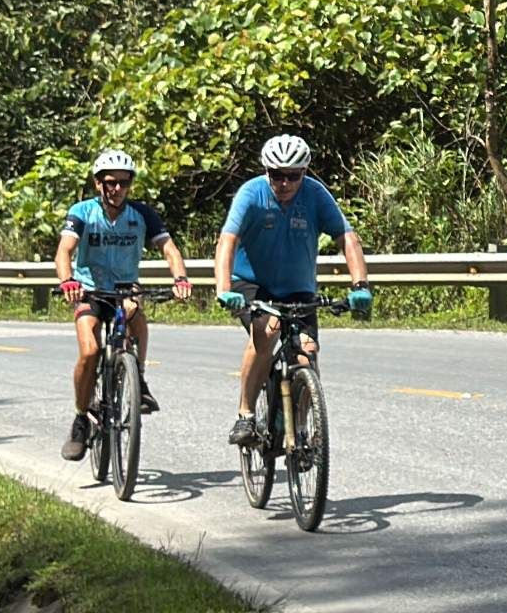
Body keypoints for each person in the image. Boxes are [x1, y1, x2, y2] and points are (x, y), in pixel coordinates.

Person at [215, 134, 372, 447]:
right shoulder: (252, 194)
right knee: (266, 329)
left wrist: (360, 286)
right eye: (277, 175)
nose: (284, 183)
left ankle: (297, 429)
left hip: (298, 288)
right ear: (267, 172)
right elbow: (227, 241)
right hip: (251, 282)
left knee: (307, 352)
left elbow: (347, 238)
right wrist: (224, 287)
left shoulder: (315, 195)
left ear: (304, 172)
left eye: (293, 176)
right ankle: (245, 414)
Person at [55, 149, 192, 461]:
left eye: (123, 183)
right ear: (98, 184)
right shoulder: (83, 212)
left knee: (135, 312)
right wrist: (68, 281)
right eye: (110, 183)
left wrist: (181, 278)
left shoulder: (141, 214)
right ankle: (81, 417)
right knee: (90, 351)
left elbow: (168, 248)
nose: (117, 189)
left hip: (124, 289)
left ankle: (138, 379)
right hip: (89, 290)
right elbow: (65, 251)